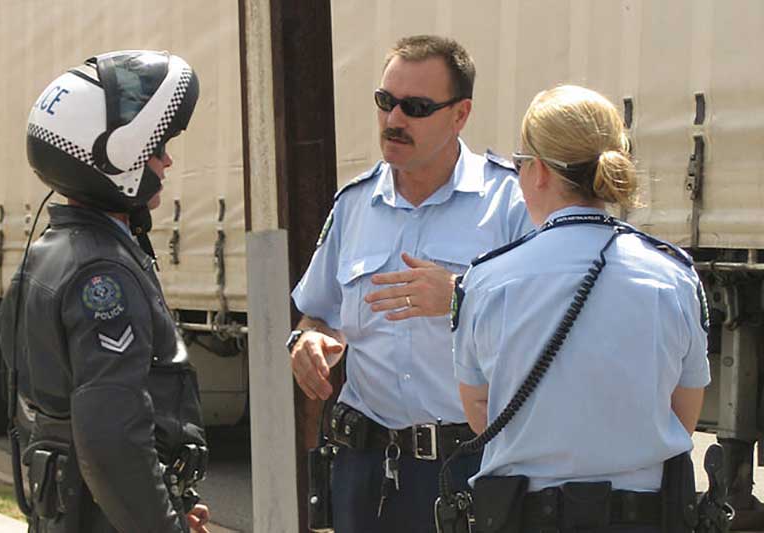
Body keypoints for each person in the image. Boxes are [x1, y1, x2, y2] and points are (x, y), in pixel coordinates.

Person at [289, 35, 532, 532]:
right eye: (386, 102)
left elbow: (550, 330)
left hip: (470, 466)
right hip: (366, 470)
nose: (394, 120)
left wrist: (461, 300)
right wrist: (308, 339)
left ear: (460, 114)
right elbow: (318, 313)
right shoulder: (354, 205)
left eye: (416, 107)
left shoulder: (509, 203)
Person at [451, 85, 710, 533]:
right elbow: (684, 411)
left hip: (525, 517)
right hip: (643, 519)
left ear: (540, 173)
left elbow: (481, 411)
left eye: (520, 163)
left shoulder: (488, 280)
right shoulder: (673, 275)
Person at [0, 51, 211, 533]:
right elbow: (112, 441)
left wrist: (172, 502)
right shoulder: (103, 276)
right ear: (116, 157)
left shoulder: (51, 253)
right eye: (158, 147)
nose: (167, 159)